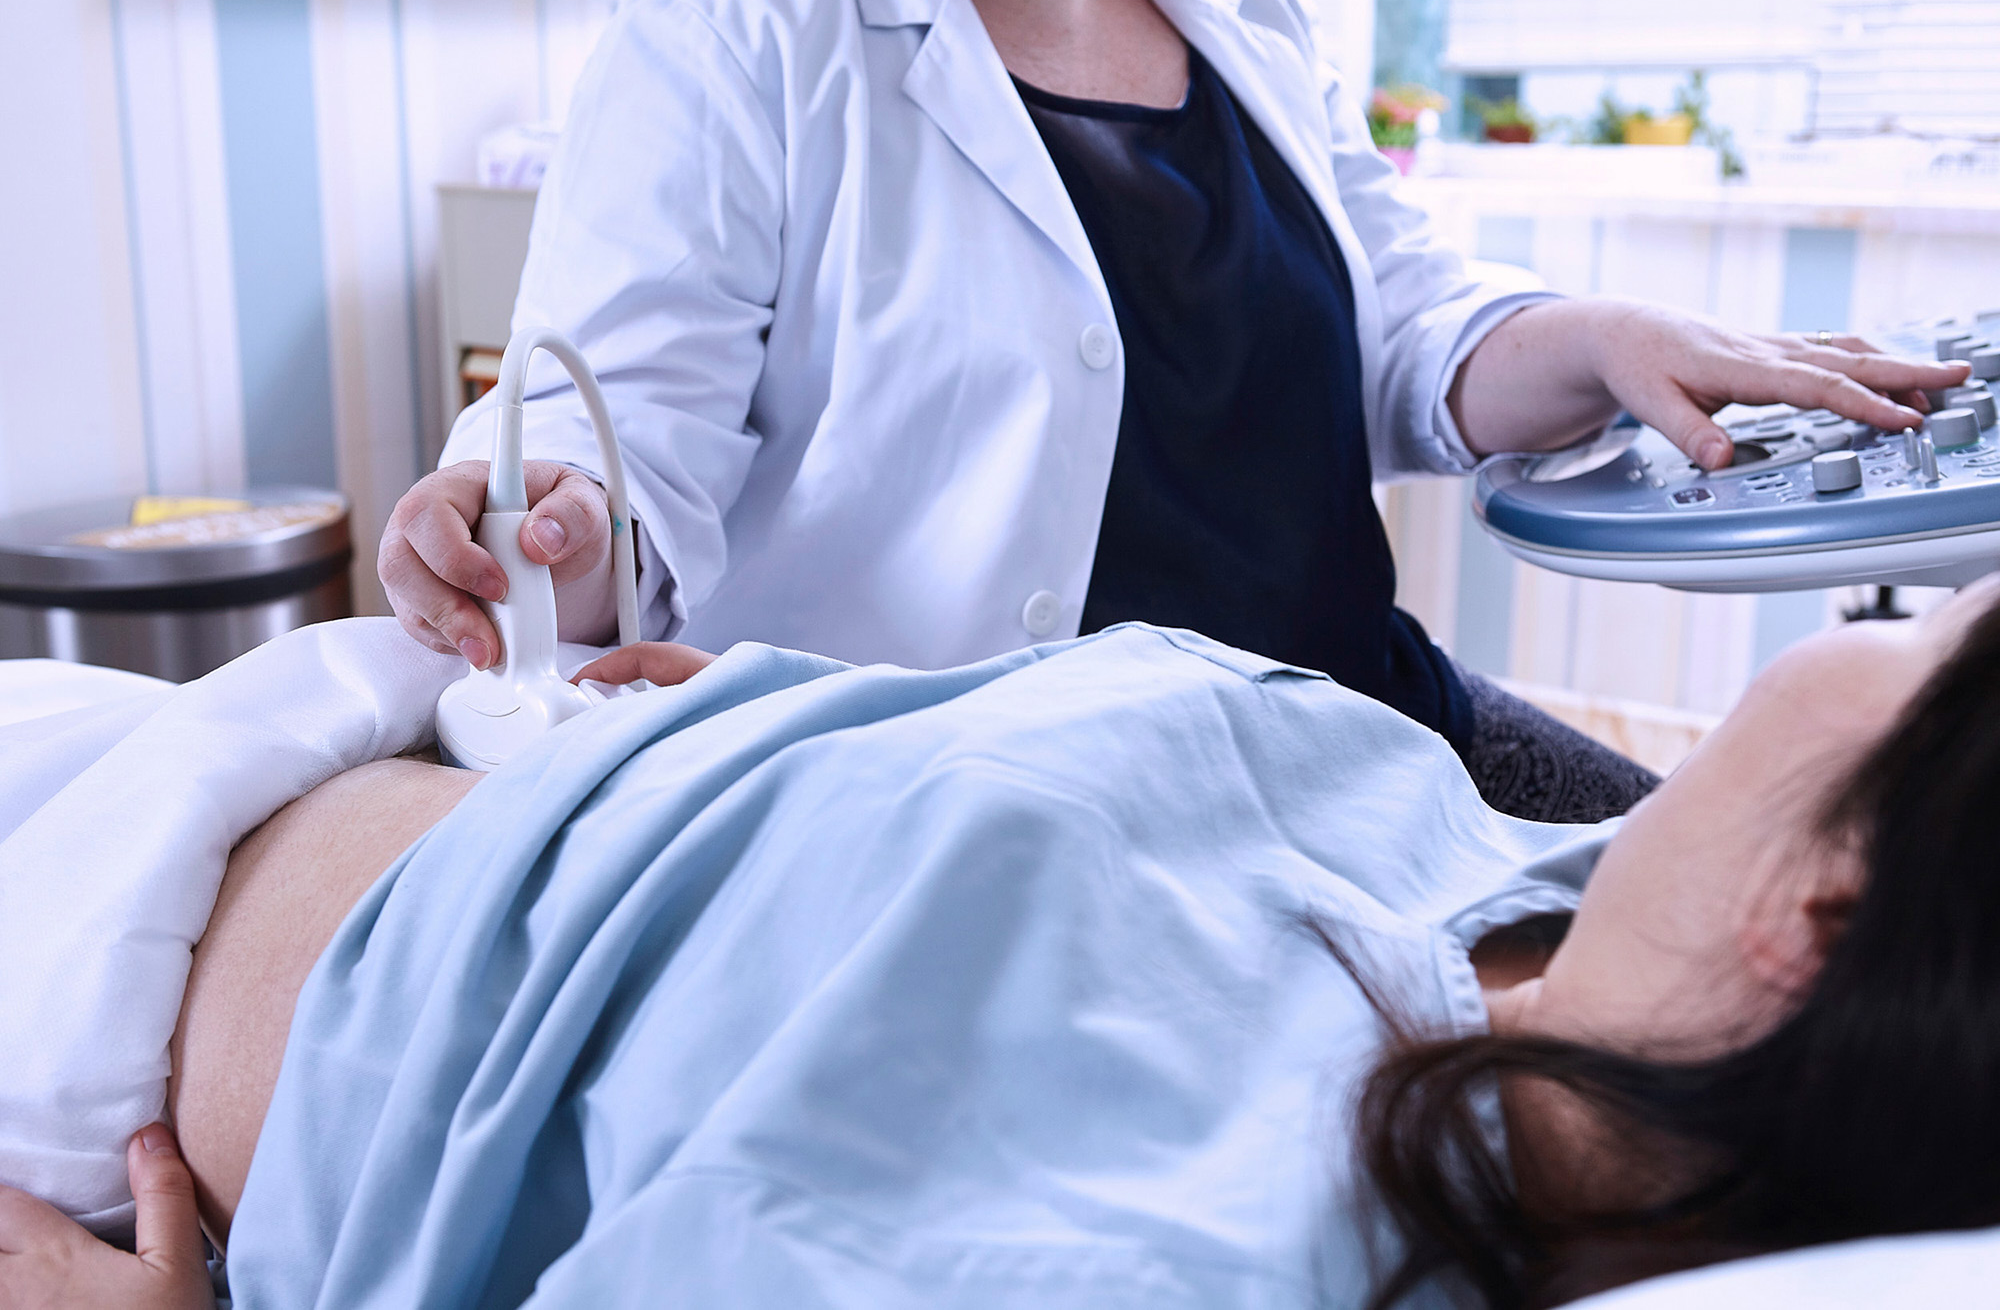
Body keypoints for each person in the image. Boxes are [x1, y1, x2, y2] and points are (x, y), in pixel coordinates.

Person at [7, 576, 2000, 1308]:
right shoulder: (1550, 908)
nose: (1861, 629)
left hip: (94, 954)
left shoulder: (1120, 1251)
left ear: (1815, 919)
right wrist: (814, 740)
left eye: (1913, 638)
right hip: (364, 735)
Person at [377, 0, 1969, 825]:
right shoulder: (729, 37)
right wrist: (542, 528)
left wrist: (1603, 331)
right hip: (1039, 814)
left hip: (1367, 726)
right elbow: (607, 456)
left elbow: (1403, 320)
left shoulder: (1249, 12)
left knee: (1799, 917)